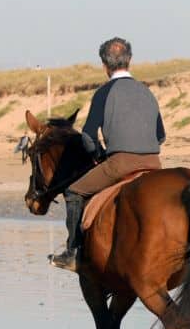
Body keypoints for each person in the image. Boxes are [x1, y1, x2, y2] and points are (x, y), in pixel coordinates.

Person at [49, 37, 166, 272]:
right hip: (155, 163)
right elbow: (160, 135)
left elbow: (88, 136)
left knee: (73, 191)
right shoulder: (146, 91)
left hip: (120, 163)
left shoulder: (104, 92)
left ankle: (73, 253)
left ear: (104, 65)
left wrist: (99, 155)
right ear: (130, 60)